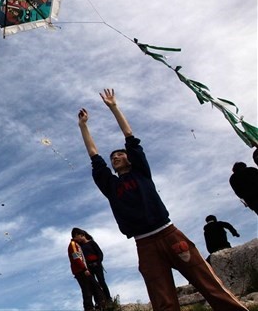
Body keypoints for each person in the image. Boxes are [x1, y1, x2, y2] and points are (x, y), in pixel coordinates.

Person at [77, 88, 247, 311]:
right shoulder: (110, 185)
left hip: (170, 234)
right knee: (163, 302)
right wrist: (83, 126)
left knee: (210, 285)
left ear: (130, 159)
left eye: (120, 154)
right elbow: (94, 156)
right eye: (112, 157)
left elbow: (130, 137)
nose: (115, 157)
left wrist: (114, 107)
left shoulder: (141, 173)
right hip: (144, 245)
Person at [68, 227, 106, 311]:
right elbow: (76, 258)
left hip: (81, 270)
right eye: (80, 235)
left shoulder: (77, 245)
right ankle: (93, 307)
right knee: (91, 288)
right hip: (80, 271)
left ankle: (96, 306)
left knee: (89, 288)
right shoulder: (73, 244)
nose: (81, 238)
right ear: (76, 235)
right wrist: (85, 269)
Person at [80, 230, 112, 303]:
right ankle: (98, 301)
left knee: (102, 282)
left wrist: (98, 262)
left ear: (83, 235)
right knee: (93, 284)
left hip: (97, 265)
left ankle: (108, 299)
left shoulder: (92, 243)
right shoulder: (80, 246)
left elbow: (100, 253)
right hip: (89, 267)